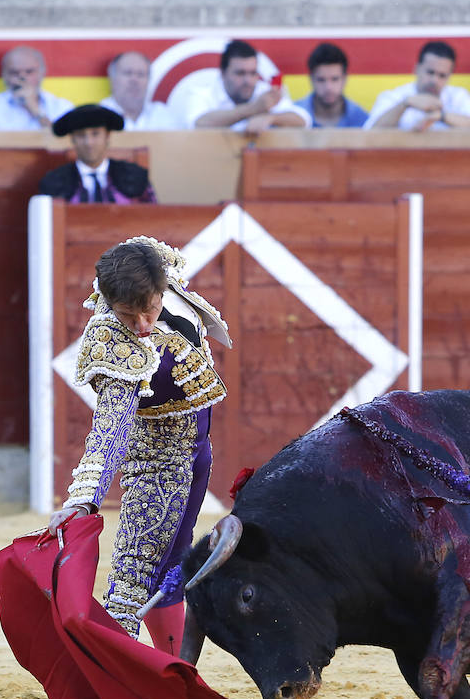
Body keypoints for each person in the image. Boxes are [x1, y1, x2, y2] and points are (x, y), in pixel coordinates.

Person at [45, 236, 232, 654]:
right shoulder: (112, 341)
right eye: (127, 315)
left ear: (163, 288)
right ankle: (115, 689)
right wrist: (84, 499)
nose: (142, 326)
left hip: (198, 454)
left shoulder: (167, 280)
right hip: (156, 464)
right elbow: (109, 429)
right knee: (130, 583)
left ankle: (171, 674)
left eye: (148, 309)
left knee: (174, 570)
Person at [171, 39, 308, 132]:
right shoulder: (201, 94)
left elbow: (302, 120)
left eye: (253, 73)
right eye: (240, 73)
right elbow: (198, 123)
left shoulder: (265, 92)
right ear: (223, 73)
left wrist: (272, 118)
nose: (248, 80)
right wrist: (253, 109)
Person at [38, 105, 156, 204]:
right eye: (81, 135)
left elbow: (153, 222)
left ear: (107, 136)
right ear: (72, 139)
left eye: (95, 134)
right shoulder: (53, 182)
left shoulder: (136, 176)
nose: (89, 143)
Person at [364, 41, 470, 132]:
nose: (434, 80)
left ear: (449, 76)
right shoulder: (393, 96)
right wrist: (405, 104)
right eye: (430, 72)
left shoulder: (458, 96)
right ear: (416, 69)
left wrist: (441, 116)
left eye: (442, 75)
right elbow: (370, 134)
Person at [0, 46, 74, 131]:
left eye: (29, 72)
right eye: (15, 72)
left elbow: (60, 141)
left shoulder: (62, 107)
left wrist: (35, 109)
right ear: (4, 75)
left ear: (42, 73)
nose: (22, 78)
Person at [99, 51, 175, 131]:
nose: (134, 80)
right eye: (128, 73)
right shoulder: (98, 115)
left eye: (140, 74)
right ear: (112, 78)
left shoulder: (162, 115)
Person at [300, 42, 369, 129]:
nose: (328, 87)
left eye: (335, 79)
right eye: (321, 80)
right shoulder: (292, 118)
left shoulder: (362, 120)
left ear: (345, 79)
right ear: (311, 79)